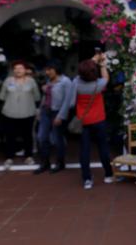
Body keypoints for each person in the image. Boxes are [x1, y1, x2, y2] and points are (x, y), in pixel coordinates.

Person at [66, 53, 114, 189]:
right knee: (103, 148)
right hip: (99, 120)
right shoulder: (98, 84)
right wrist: (102, 63)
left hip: (84, 121)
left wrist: (92, 60)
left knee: (84, 150)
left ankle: (87, 179)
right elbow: (106, 77)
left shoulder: (76, 83)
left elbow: (71, 103)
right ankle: (108, 175)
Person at [0, 60, 41, 169]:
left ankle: (29, 156)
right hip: (9, 113)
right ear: (13, 70)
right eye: (16, 68)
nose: (18, 70)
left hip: (28, 113)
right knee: (10, 136)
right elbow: (1, 96)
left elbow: (37, 97)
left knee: (27, 136)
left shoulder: (31, 81)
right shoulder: (8, 81)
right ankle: (9, 158)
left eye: (21, 68)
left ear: (26, 70)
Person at [34, 60, 72, 175]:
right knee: (41, 137)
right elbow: (46, 97)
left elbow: (68, 100)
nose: (47, 72)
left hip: (57, 112)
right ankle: (45, 163)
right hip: (46, 111)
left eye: (49, 69)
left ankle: (60, 163)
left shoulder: (65, 81)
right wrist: (40, 111)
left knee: (57, 139)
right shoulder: (49, 81)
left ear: (56, 69)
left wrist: (61, 116)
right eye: (46, 70)